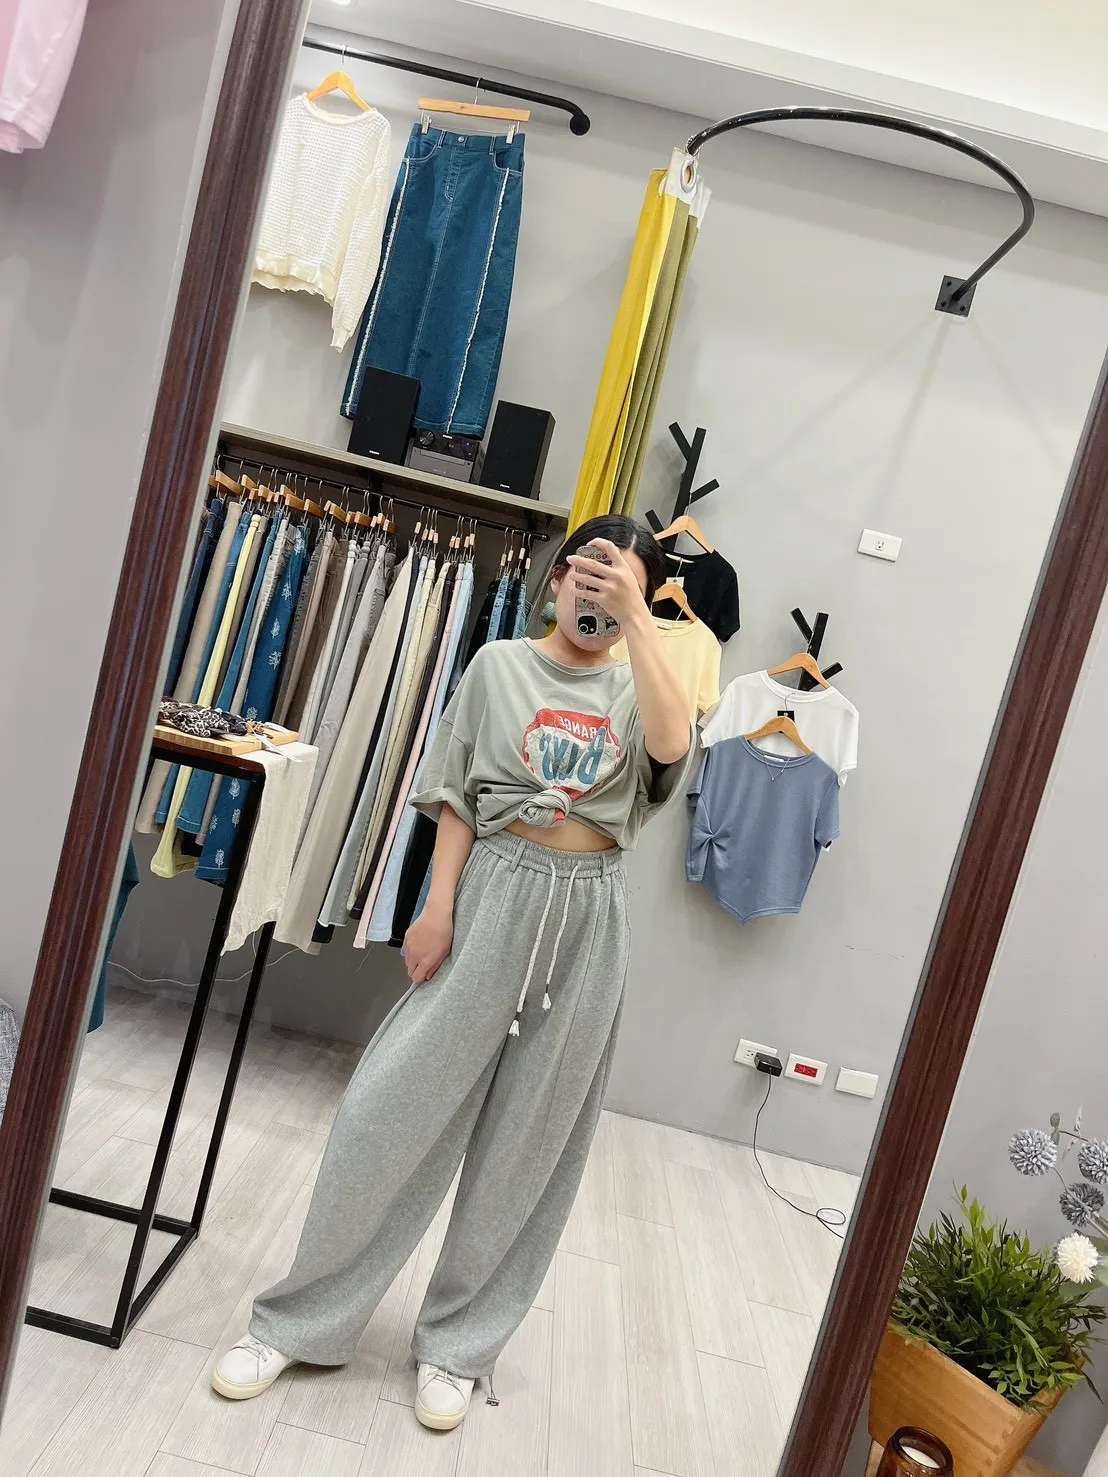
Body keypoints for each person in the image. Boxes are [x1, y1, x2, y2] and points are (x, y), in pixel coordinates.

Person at [211, 514, 694, 1429]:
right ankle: (298, 1319)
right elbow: (456, 796)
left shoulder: (646, 684)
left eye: (619, 583)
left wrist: (640, 618)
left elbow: (671, 749)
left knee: (530, 1145)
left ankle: (458, 1346)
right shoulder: (497, 666)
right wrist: (436, 906)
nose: (596, 596)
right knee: (388, 1112)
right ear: (557, 577)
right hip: (494, 891)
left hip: (589, 914)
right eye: (587, 575)